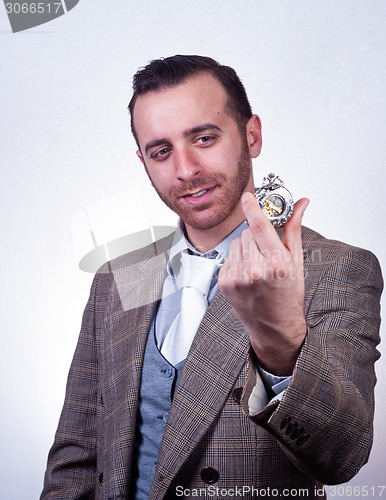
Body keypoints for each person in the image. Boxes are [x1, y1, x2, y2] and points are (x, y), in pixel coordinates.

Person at [41, 55, 383, 500]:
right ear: (144, 163)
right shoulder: (120, 276)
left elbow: (343, 456)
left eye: (203, 137)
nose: (185, 170)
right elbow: (77, 453)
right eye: (161, 151)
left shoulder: (332, 268)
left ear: (251, 134)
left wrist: (281, 341)